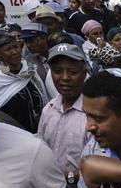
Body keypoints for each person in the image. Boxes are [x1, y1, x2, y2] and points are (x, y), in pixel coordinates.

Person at [37, 43, 90, 178]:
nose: (65, 78)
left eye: (72, 72)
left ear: (84, 74)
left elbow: (100, 165)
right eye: (57, 71)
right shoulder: (48, 110)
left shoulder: (92, 115)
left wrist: (69, 177)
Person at [0, 30, 48, 133]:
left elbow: (43, 96)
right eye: (8, 49)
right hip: (12, 133)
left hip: (40, 129)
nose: (15, 52)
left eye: (16, 47)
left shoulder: (29, 69)